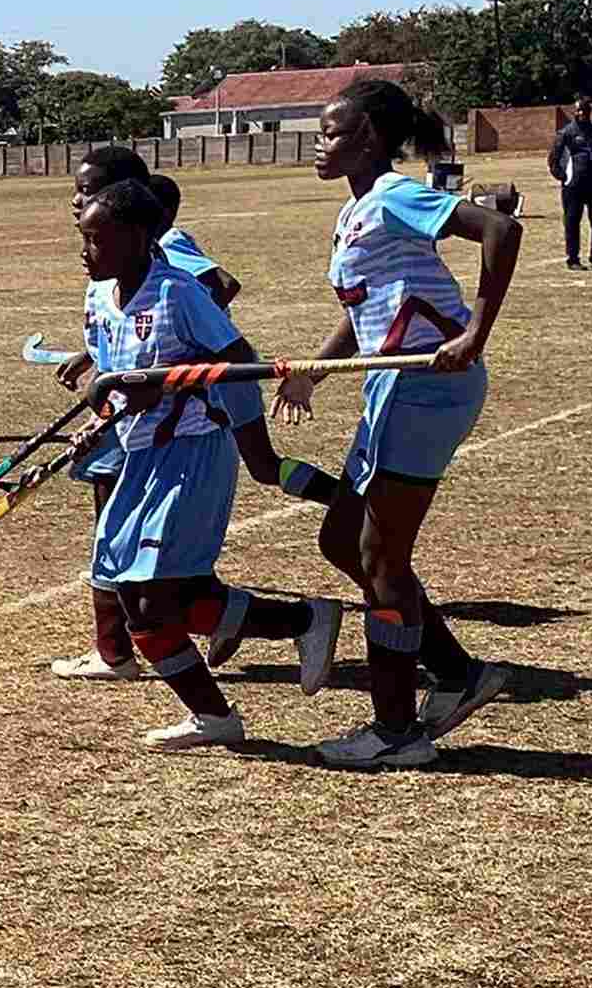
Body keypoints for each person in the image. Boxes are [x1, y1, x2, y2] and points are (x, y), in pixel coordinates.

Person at [277, 80, 522, 769]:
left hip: (428, 390)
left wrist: (475, 333)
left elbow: (501, 229)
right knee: (341, 540)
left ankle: (396, 730)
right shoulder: (357, 208)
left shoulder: (392, 195)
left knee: (381, 559)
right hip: (391, 385)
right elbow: (367, 309)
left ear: (368, 139)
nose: (319, 145)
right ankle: (458, 673)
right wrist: (315, 371)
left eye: (331, 133)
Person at [59, 179, 344, 750]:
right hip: (140, 457)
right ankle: (303, 623)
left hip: (193, 452)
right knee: (144, 597)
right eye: (83, 238)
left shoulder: (177, 293)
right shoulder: (98, 299)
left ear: (138, 238)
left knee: (149, 600)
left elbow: (238, 362)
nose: (84, 252)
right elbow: (115, 383)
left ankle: (217, 714)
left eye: (96, 239)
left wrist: (176, 390)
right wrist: (100, 419)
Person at [548, 96, 592, 269]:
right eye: (579, 110)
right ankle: (573, 259)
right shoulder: (566, 133)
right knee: (572, 222)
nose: (582, 113)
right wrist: (564, 177)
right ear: (574, 112)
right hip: (574, 186)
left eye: (585, 110)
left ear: (590, 112)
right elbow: (554, 159)